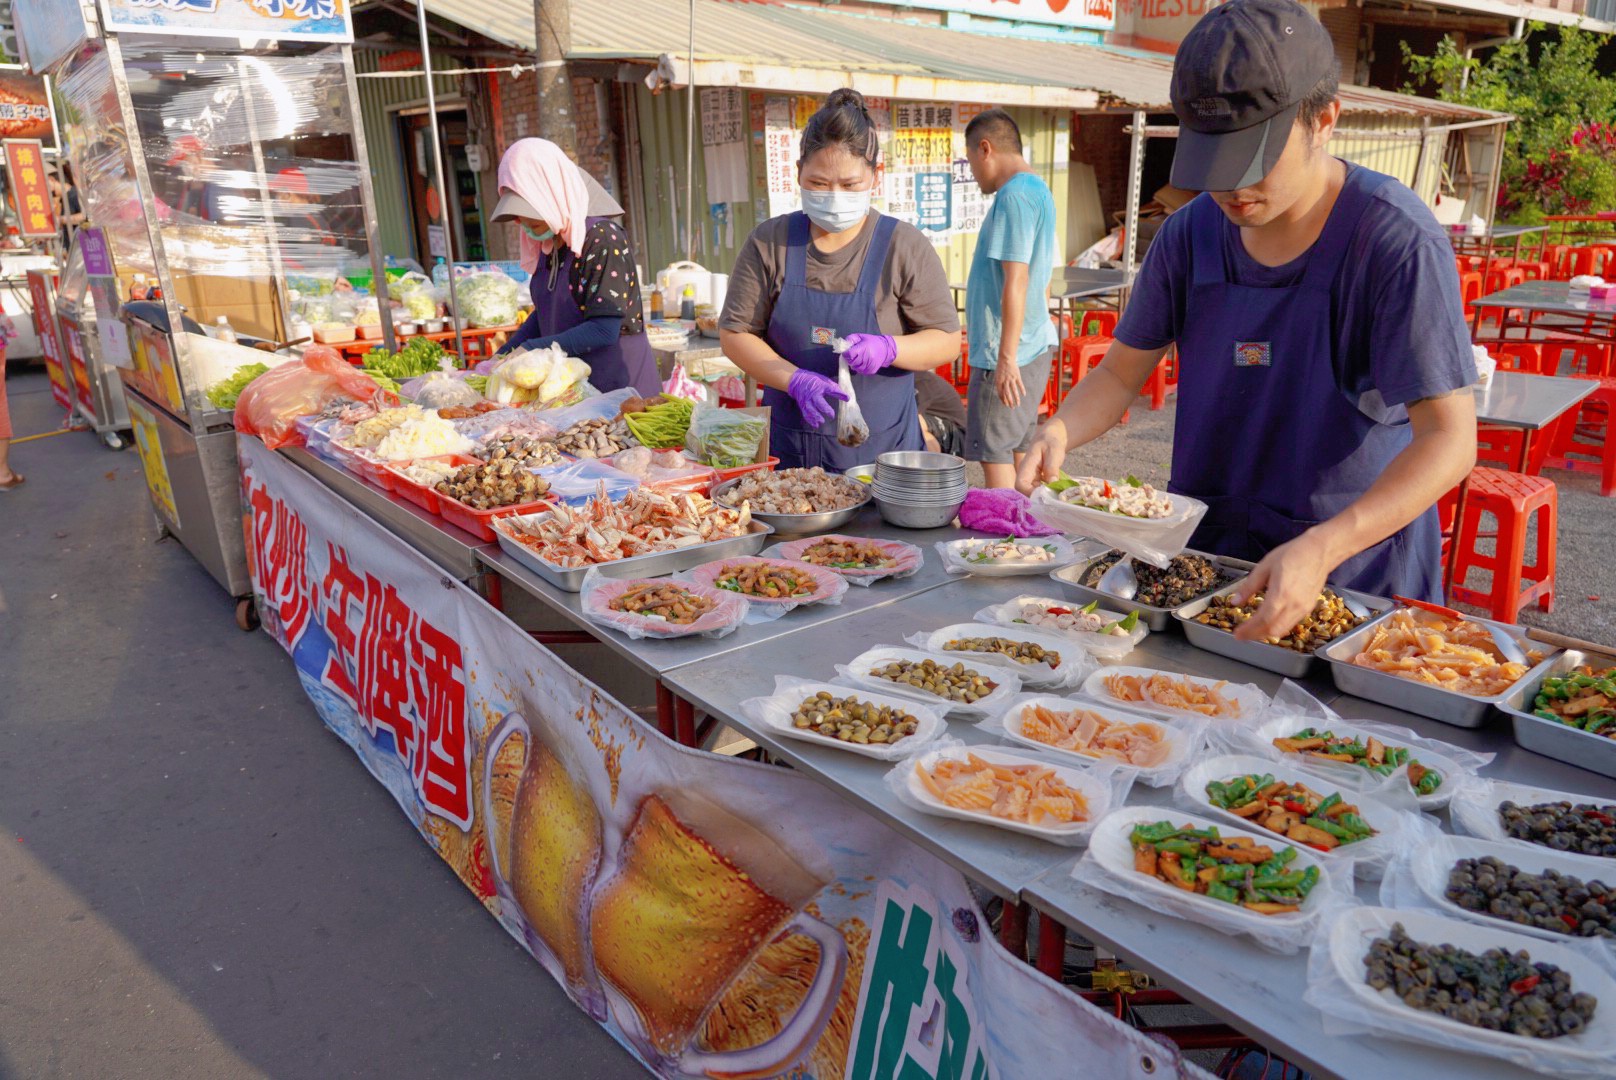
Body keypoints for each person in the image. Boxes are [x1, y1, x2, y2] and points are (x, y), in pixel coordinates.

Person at [1017, 0, 1477, 640]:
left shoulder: (1394, 243)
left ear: (1324, 121)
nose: (1232, 189)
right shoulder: (1189, 236)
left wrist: (1323, 546)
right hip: (1208, 565)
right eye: (1214, 162)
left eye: (1253, 158)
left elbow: (1450, 440)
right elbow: (1121, 373)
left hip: (1356, 577)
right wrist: (1059, 427)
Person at [719, 88, 960, 470]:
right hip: (790, 459)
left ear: (874, 176)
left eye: (849, 185)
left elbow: (946, 341)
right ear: (798, 171)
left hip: (884, 458)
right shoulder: (770, 242)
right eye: (818, 183)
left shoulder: (904, 246)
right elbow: (736, 333)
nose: (833, 196)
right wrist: (794, 379)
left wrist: (890, 349)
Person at [488, 139, 659, 396]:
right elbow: (544, 315)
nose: (520, 219)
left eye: (526, 208)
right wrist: (504, 354)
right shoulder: (550, 244)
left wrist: (533, 348)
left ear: (550, 194)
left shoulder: (602, 239)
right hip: (573, 392)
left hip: (620, 391)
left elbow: (603, 329)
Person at [962, 110, 1058, 488]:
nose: (972, 172)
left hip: (1006, 354)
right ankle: (1035, 542)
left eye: (970, 160)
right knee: (1022, 459)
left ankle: (1005, 546)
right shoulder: (1038, 190)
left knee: (996, 456)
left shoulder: (1014, 196)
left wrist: (1005, 359)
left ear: (986, 149)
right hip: (1033, 344)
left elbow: (1016, 281)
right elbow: (1043, 277)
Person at [915, 369, 966, 457]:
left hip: (957, 438)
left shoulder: (921, 381)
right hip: (942, 427)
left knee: (913, 422)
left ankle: (930, 467)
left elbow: (909, 419)